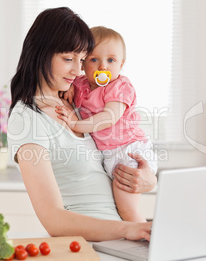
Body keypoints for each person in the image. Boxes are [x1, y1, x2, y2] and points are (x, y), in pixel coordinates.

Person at [7, 7, 157, 242]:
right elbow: (54, 219)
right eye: (68, 59)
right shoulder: (27, 119)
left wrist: (146, 179)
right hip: (90, 245)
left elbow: (111, 159)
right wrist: (128, 229)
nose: (78, 70)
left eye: (82, 60)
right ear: (41, 54)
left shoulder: (74, 103)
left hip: (120, 239)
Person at [56, 26, 158, 223]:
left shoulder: (120, 86)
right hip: (109, 155)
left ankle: (147, 244)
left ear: (121, 64)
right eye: (94, 59)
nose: (103, 67)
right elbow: (71, 83)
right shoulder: (81, 84)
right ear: (83, 64)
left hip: (129, 152)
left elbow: (109, 117)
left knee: (127, 210)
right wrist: (69, 89)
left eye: (111, 60)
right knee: (118, 212)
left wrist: (76, 124)